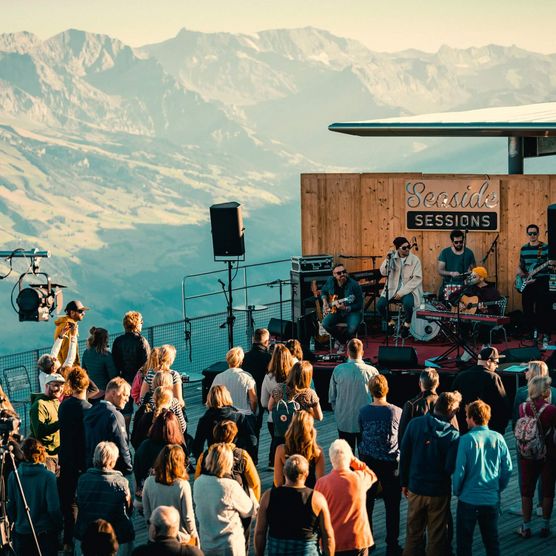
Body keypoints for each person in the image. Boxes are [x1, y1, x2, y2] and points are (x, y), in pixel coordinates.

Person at [399, 391, 462, 556]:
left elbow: (404, 455)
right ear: (452, 412)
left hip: (415, 487)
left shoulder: (415, 424)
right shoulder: (454, 435)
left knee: (413, 534)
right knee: (437, 536)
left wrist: (404, 483)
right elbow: (450, 468)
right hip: (438, 492)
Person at [453, 400, 512, 556]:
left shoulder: (465, 440)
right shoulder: (498, 438)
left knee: (464, 545)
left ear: (473, 417)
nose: (465, 419)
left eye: (466, 416)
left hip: (468, 499)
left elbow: (460, 471)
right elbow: (507, 469)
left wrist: (457, 490)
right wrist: (498, 487)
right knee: (492, 543)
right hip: (490, 499)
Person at [255, 454, 335, 556]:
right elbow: (327, 536)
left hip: (278, 551)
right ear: (306, 474)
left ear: (284, 472)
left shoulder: (268, 496)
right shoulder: (317, 498)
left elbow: (260, 532)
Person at [358, 374, 403, 556]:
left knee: (367, 502)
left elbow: (361, 432)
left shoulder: (364, 411)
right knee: (393, 504)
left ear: (370, 391)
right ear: (387, 390)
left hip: (369, 461)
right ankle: (392, 544)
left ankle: (368, 541)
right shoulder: (396, 412)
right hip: (390, 461)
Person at [193, 443, 258, 556]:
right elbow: (249, 510)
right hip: (229, 544)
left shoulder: (198, 483)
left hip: (207, 542)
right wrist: (251, 492)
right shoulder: (230, 485)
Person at [314, 439, 377, 555]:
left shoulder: (321, 483)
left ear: (331, 459)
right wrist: (354, 460)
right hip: (358, 540)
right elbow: (372, 475)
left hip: (333, 542)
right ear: (349, 458)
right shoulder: (360, 478)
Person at [76, 441, 135, 555]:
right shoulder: (122, 483)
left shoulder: (82, 480)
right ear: (113, 460)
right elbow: (129, 509)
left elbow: (79, 503)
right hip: (117, 536)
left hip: (86, 534)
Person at [515, 376, 556, 538]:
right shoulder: (551, 410)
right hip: (548, 453)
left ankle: (526, 526)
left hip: (527, 453)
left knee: (527, 490)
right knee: (547, 491)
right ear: (545, 391)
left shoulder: (522, 407)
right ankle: (545, 525)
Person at [7, 438, 62, 556]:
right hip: (44, 535)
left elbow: (11, 506)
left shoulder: (13, 476)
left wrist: (17, 522)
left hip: (21, 533)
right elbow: (53, 509)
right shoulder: (48, 477)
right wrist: (59, 526)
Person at [59, 367, 93, 553]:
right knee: (84, 501)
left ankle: (68, 541)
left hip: (66, 459)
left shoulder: (64, 406)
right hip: (83, 461)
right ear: (86, 385)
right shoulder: (88, 410)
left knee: (69, 502)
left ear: (70, 385)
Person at [142, 444, 198, 544]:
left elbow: (147, 512)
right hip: (180, 538)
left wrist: (151, 531)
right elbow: (188, 517)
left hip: (157, 537)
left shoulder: (149, 482)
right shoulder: (182, 485)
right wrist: (194, 535)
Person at [329, 338, 378, 452]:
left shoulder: (338, 370)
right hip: (365, 420)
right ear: (362, 352)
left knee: (346, 457)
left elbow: (332, 397)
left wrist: (338, 412)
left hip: (344, 420)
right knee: (365, 456)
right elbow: (377, 397)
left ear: (347, 352)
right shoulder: (373, 371)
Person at [452, 346, 510, 435]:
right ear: (489, 362)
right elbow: (502, 405)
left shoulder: (461, 376)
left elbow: (452, 401)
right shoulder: (493, 377)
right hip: (487, 430)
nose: (497, 366)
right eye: (496, 363)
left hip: (463, 429)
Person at [192, 385, 257, 461]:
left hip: (214, 458)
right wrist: (251, 458)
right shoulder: (238, 416)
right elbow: (252, 439)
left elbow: (198, 444)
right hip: (234, 457)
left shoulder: (205, 419)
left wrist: (200, 460)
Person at [83, 377, 133, 475]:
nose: (127, 400)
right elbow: (123, 445)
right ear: (113, 393)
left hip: (90, 468)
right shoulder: (114, 415)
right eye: (125, 395)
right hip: (111, 469)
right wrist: (129, 469)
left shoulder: (91, 411)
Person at [377, 236, 423, 339]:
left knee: (408, 304)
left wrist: (401, 292)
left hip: (408, 291)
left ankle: (407, 325)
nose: (407, 249)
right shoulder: (392, 257)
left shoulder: (415, 260)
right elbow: (383, 272)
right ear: (398, 249)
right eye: (404, 247)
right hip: (392, 289)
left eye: (408, 246)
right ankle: (390, 322)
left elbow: (417, 279)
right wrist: (387, 259)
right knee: (380, 305)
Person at [112, 310, 151, 426]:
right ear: (137, 324)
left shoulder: (118, 341)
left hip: (124, 379)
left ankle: (125, 436)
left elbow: (115, 362)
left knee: (125, 411)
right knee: (145, 407)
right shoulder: (141, 341)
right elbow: (147, 364)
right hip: (140, 381)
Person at [134, 410, 186, 495]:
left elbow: (137, 470)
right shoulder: (176, 448)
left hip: (147, 490)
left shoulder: (144, 445)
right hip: (172, 490)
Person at [516, 223, 551, 347]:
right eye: (530, 233)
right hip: (527, 282)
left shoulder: (546, 248)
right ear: (527, 234)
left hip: (541, 281)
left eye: (534, 233)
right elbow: (520, 265)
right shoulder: (524, 249)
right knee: (527, 308)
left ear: (538, 234)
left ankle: (545, 333)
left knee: (543, 308)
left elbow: (551, 264)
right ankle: (531, 332)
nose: (532, 236)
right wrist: (520, 273)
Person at [260, 344, 294, 467]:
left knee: (276, 440)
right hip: (292, 416)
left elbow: (264, 402)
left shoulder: (268, 377)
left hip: (273, 417)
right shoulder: (294, 376)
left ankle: (273, 463)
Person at [274, 410, 325, 489]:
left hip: (286, 493)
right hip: (308, 493)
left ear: (292, 427)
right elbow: (320, 482)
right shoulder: (317, 452)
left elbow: (278, 482)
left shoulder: (281, 450)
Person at [320, 263, 363, 353]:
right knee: (325, 324)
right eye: (339, 273)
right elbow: (323, 291)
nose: (342, 274)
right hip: (335, 310)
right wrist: (325, 302)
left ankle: (341, 341)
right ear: (334, 275)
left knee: (352, 328)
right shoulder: (330, 281)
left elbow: (359, 304)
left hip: (351, 311)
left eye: (344, 272)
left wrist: (346, 308)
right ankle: (342, 341)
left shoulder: (354, 285)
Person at [132, 505, 203, 556]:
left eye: (150, 522)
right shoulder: (193, 553)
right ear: (176, 529)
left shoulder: (140, 553)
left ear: (154, 530)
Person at [29, 372, 65, 471]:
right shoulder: (39, 405)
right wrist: (60, 423)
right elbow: (39, 431)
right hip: (45, 457)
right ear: (46, 386)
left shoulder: (56, 401)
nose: (59, 389)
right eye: (56, 385)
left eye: (62, 386)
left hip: (57, 455)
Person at [211, 346, 258, 415]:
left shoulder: (219, 377)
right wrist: (253, 413)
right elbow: (253, 400)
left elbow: (212, 398)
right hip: (244, 415)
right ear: (241, 361)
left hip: (225, 415)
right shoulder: (247, 377)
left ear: (227, 360)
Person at [399, 368, 442, 441]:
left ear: (419, 383)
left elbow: (402, 435)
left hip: (416, 450)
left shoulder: (411, 405)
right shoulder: (445, 404)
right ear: (438, 384)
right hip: (439, 451)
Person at [241, 328, 272, 429]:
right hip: (266, 394)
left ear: (253, 339)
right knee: (275, 421)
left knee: (254, 428)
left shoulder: (244, 357)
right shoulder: (269, 358)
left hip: (250, 395)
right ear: (266, 342)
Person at [437, 229, 476, 300]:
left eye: (461, 242)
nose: (459, 244)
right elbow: (440, 270)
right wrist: (451, 273)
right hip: (448, 284)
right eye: (456, 242)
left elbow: (474, 271)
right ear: (452, 242)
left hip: (464, 286)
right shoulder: (445, 252)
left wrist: (470, 273)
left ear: (463, 241)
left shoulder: (469, 253)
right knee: (447, 307)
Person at [53, 299, 89, 366]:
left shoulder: (68, 324)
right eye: (80, 311)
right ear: (72, 312)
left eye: (83, 311)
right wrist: (72, 368)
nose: (83, 313)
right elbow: (66, 351)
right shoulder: (69, 326)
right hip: (68, 369)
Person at [82, 327, 119, 391]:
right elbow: (113, 376)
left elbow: (84, 372)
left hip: (91, 391)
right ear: (105, 340)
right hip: (104, 391)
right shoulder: (106, 355)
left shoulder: (86, 352)